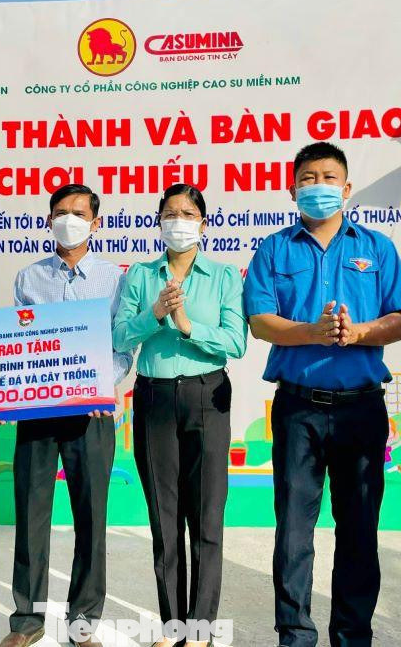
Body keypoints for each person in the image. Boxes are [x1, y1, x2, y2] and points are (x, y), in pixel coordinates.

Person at [243, 142, 401, 647]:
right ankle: (295, 635)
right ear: (292, 189)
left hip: (361, 408)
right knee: (293, 531)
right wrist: (312, 332)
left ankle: (352, 635)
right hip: (297, 408)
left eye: (328, 177)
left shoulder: (377, 248)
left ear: (346, 189)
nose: (317, 186)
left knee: (359, 529)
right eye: (307, 178)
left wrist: (359, 332)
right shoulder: (274, 249)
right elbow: (260, 322)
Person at [0, 184, 133, 647]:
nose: (68, 220)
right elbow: (16, 347)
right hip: (38, 413)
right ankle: (26, 620)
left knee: (91, 519)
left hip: (91, 414)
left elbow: (122, 346)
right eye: (60, 212)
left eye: (78, 212)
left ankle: (83, 621)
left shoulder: (115, 280)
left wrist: (100, 386)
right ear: (48, 220)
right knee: (31, 515)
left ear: (96, 222)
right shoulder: (29, 278)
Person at [113, 183, 247, 647]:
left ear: (203, 223)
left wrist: (188, 326)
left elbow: (236, 342)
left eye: (188, 214)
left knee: (206, 517)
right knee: (164, 517)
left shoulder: (224, 276)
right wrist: (154, 314)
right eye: (170, 213)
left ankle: (201, 628)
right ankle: (173, 626)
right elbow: (119, 335)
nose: (179, 221)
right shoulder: (140, 275)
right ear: (158, 221)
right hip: (154, 397)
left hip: (207, 394)